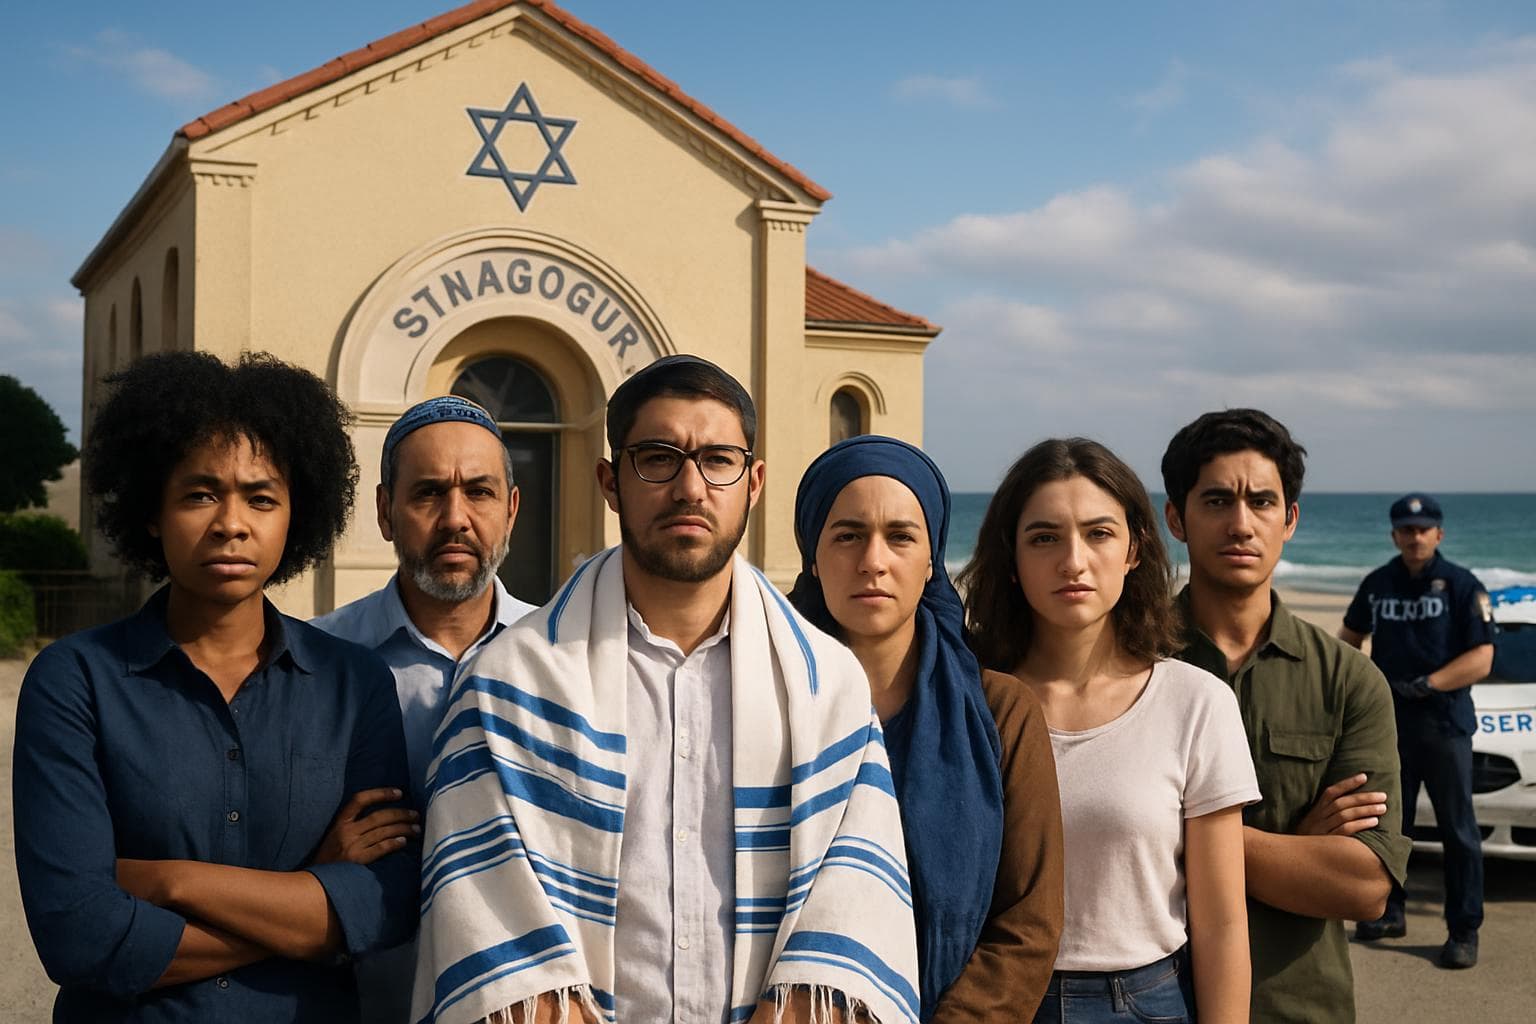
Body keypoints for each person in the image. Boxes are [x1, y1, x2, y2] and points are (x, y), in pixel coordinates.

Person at [411, 355, 918, 1024]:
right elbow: (482, 911)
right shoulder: (508, 680)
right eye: (657, 458)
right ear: (610, 480)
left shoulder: (828, 687)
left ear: (754, 481)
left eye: (718, 460)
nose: (690, 487)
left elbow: (856, 906)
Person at [12, 351, 419, 1022]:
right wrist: (306, 905)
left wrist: (169, 881)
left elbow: (384, 904)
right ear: (151, 510)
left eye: (262, 498)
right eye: (200, 493)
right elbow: (79, 937)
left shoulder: (356, 685)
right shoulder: (75, 682)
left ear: (297, 515)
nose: (232, 522)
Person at [959, 437, 1258, 1024]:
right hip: (992, 1000)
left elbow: (1222, 920)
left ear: (1133, 551)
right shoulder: (969, 701)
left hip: (1145, 1001)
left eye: (1099, 534)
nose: (1074, 560)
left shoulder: (1196, 702)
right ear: (1012, 559)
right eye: (1044, 537)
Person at [787, 435, 1065, 1022]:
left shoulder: (999, 711)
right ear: (813, 556)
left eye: (900, 536)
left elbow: (1028, 920)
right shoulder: (768, 703)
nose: (874, 561)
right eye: (848, 535)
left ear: (932, 557)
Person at [1161, 409, 1412, 1023]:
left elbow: (1363, 887)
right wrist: (1297, 849)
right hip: (1147, 1003)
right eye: (1217, 500)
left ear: (1289, 520)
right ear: (1176, 518)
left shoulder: (1349, 680)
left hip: (1299, 1005)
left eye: (1263, 502)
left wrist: (1169, 835)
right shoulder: (1128, 660)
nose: (1241, 523)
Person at [313, 394, 537, 1021]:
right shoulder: (316, 661)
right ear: (385, 511)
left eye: (481, 493)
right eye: (429, 493)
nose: (456, 518)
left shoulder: (564, 660)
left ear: (512, 510)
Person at [1340, 493, 1494, 969]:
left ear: (1438, 534)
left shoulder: (1463, 587)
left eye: (1423, 528)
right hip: (1389, 727)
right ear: (1394, 535)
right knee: (1390, 827)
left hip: (1444, 725)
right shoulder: (1378, 583)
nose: (1414, 536)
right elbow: (1348, 639)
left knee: (1459, 833)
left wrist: (1427, 684)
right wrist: (1364, 686)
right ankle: (1390, 913)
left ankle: (1464, 930)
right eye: (1405, 529)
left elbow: (1482, 659)